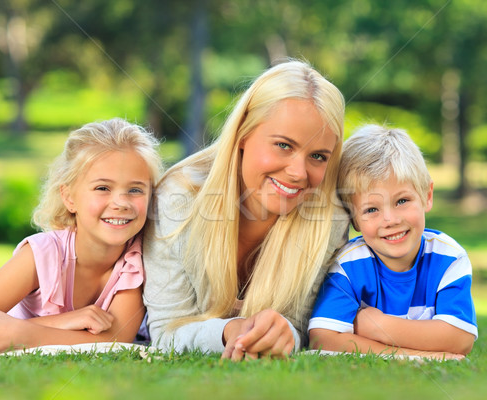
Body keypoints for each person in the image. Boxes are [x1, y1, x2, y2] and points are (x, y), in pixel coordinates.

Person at [143, 60, 349, 361]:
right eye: (283, 145)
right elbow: (165, 332)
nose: (298, 173)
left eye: (318, 156)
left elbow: (304, 327)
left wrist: (284, 334)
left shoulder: (329, 220)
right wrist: (230, 331)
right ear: (243, 134)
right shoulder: (178, 200)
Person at [0, 118, 162, 354]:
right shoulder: (43, 255)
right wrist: (62, 322)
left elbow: (117, 339)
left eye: (135, 190)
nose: (121, 203)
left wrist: (22, 334)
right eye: (103, 188)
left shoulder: (136, 260)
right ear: (69, 197)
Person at [309, 124, 478, 360]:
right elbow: (324, 337)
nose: (390, 220)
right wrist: (413, 355)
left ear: (427, 196)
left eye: (402, 201)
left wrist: (376, 325)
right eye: (371, 209)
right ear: (353, 218)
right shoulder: (350, 264)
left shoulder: (448, 257)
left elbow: (459, 338)